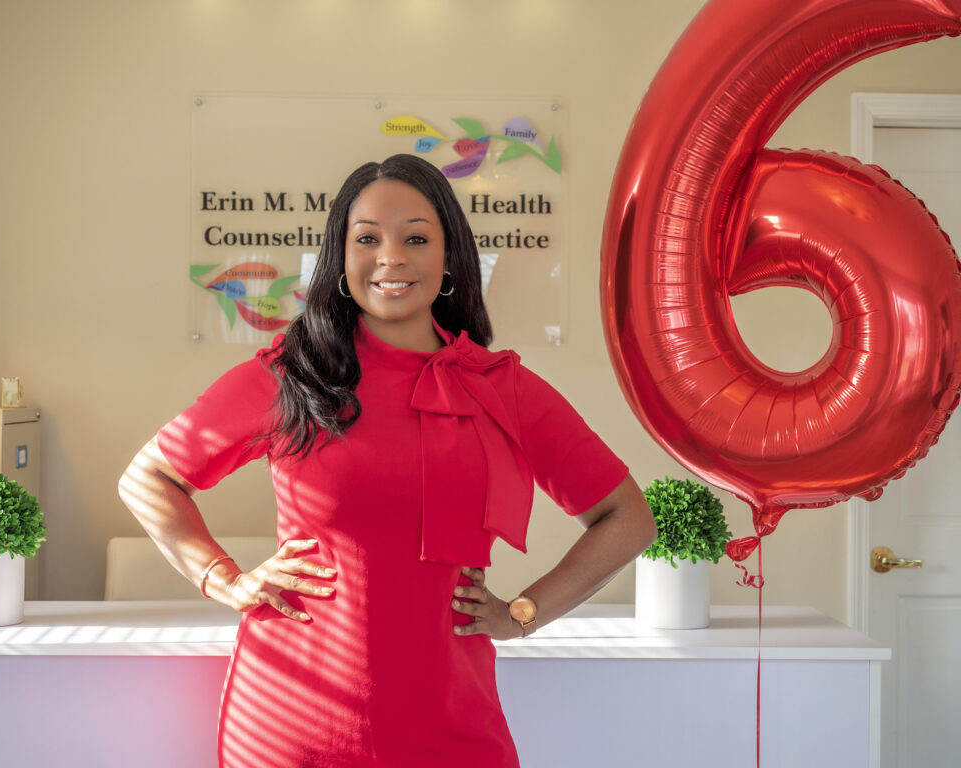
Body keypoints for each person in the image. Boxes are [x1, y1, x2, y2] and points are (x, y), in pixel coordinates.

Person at [118, 154, 656, 768]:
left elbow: (626, 519)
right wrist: (226, 579)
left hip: (452, 724)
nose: (391, 257)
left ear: (449, 257)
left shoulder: (500, 388)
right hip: (291, 723)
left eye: (416, 238)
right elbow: (149, 478)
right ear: (340, 259)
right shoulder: (291, 377)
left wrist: (522, 614)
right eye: (367, 238)